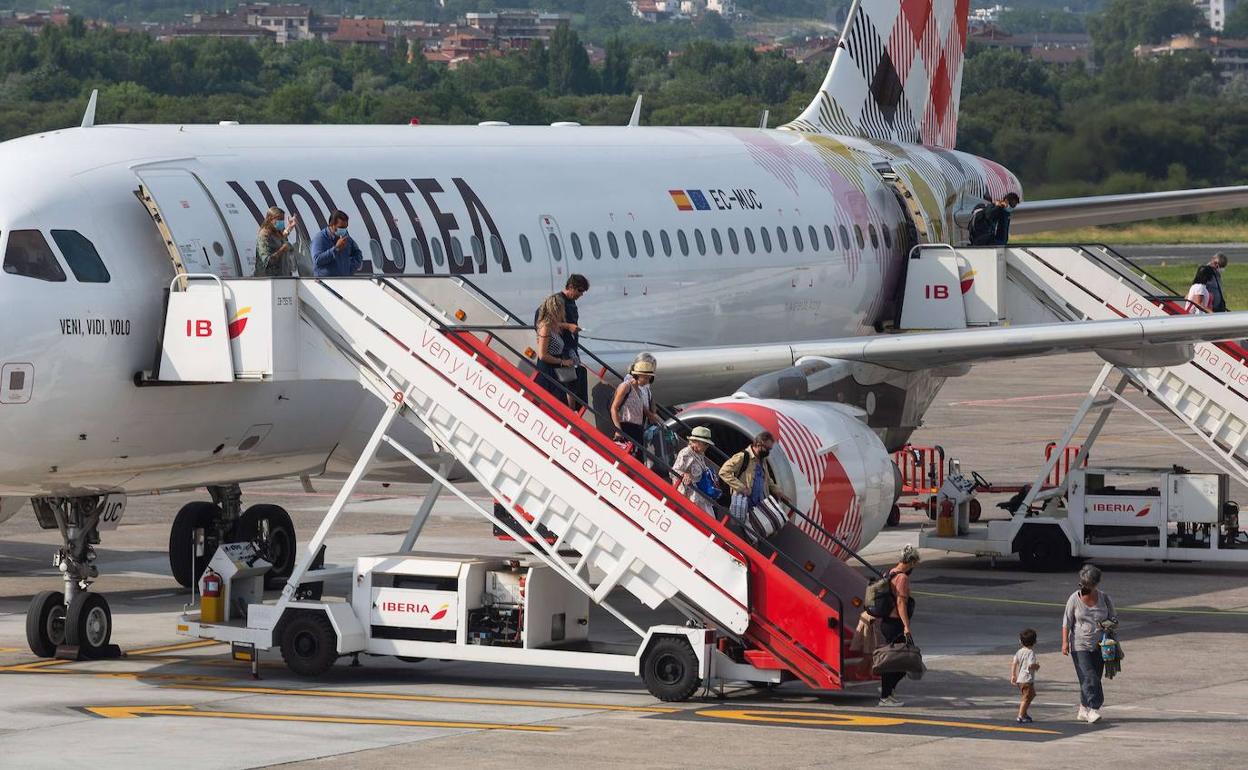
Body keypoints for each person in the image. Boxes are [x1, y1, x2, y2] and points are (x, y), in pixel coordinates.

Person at [1062, 564, 1117, 724]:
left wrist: (1103, 626)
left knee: (1093, 678)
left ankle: (1083, 708)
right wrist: (1065, 642)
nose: (1086, 587)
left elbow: (1114, 619)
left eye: (1090, 584)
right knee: (1089, 677)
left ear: (1096, 583)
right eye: (1084, 584)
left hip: (1101, 645)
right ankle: (1094, 708)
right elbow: (1066, 622)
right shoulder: (1074, 598)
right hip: (1080, 645)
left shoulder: (1105, 598)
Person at [718, 431, 792, 533]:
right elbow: (724, 471)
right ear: (758, 444)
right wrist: (741, 488)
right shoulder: (743, 456)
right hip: (744, 503)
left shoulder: (763, 460)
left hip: (759, 504)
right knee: (742, 529)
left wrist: (778, 491)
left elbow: (768, 479)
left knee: (759, 529)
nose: (768, 452)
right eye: (767, 448)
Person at [877, 544, 920, 707]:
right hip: (895, 623)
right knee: (903, 661)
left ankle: (887, 691)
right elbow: (901, 603)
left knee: (893, 659)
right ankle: (885, 694)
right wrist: (906, 626)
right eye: (915, 563)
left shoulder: (890, 572)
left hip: (887, 622)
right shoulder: (902, 578)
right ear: (911, 561)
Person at [611, 359, 661, 459]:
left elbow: (644, 408)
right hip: (625, 426)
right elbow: (614, 408)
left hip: (637, 428)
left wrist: (654, 418)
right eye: (646, 378)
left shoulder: (640, 390)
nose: (647, 381)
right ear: (638, 375)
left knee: (639, 458)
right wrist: (618, 430)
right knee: (626, 459)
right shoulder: (625, 386)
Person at [534, 294, 576, 400]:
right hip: (548, 371)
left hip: (555, 369)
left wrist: (568, 326)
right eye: (562, 309)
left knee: (563, 398)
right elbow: (542, 355)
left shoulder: (553, 325)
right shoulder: (546, 327)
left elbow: (560, 324)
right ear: (556, 309)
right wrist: (562, 362)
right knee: (554, 400)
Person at [671, 426, 719, 514]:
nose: (707, 447)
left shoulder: (700, 454)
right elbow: (674, 471)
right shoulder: (686, 453)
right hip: (689, 495)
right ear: (697, 442)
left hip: (701, 496)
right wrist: (685, 474)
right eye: (706, 444)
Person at [312, 210, 363, 277]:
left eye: (345, 227)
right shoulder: (320, 238)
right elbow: (317, 260)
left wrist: (350, 268)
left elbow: (357, 253)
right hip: (326, 283)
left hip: (344, 282)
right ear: (332, 225)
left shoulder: (346, 238)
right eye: (341, 227)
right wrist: (336, 249)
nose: (344, 230)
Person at [253, 207, 298, 277]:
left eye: (282, 220)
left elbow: (281, 238)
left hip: (282, 278)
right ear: (270, 219)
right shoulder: (264, 235)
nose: (282, 222)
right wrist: (282, 250)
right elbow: (266, 262)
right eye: (279, 219)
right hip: (269, 280)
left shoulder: (277, 233)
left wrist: (289, 227)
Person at [1011, 628, 1040, 724]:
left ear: (1020, 641)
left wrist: (1013, 675)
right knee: (1026, 697)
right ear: (1034, 641)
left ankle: (1024, 713)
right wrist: (1037, 666)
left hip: (1021, 679)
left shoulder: (1019, 652)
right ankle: (1020, 715)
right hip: (1027, 679)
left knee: (1030, 695)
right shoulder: (1030, 653)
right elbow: (1031, 665)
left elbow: (1014, 663)